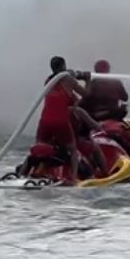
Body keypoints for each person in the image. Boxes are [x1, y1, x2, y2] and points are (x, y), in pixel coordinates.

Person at [20, 56, 89, 184]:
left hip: (44, 121)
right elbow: (86, 95)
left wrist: (72, 74)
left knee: (36, 148)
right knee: (73, 150)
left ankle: (22, 174)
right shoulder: (68, 80)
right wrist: (86, 79)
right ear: (63, 66)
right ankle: (73, 179)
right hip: (60, 122)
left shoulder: (48, 81)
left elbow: (65, 94)